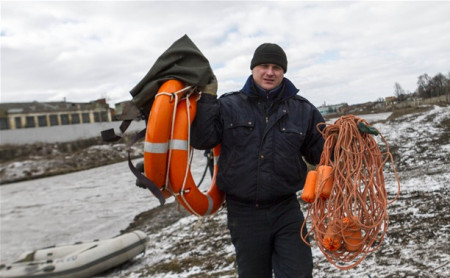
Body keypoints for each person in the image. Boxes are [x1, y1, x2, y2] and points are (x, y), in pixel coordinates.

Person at [191, 43, 325, 278]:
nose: (270, 72)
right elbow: (203, 139)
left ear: (283, 72)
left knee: (299, 273)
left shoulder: (303, 110)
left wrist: (349, 138)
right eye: (264, 66)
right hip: (244, 213)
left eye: (276, 67)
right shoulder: (228, 105)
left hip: (286, 209)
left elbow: (321, 153)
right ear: (253, 69)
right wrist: (207, 99)